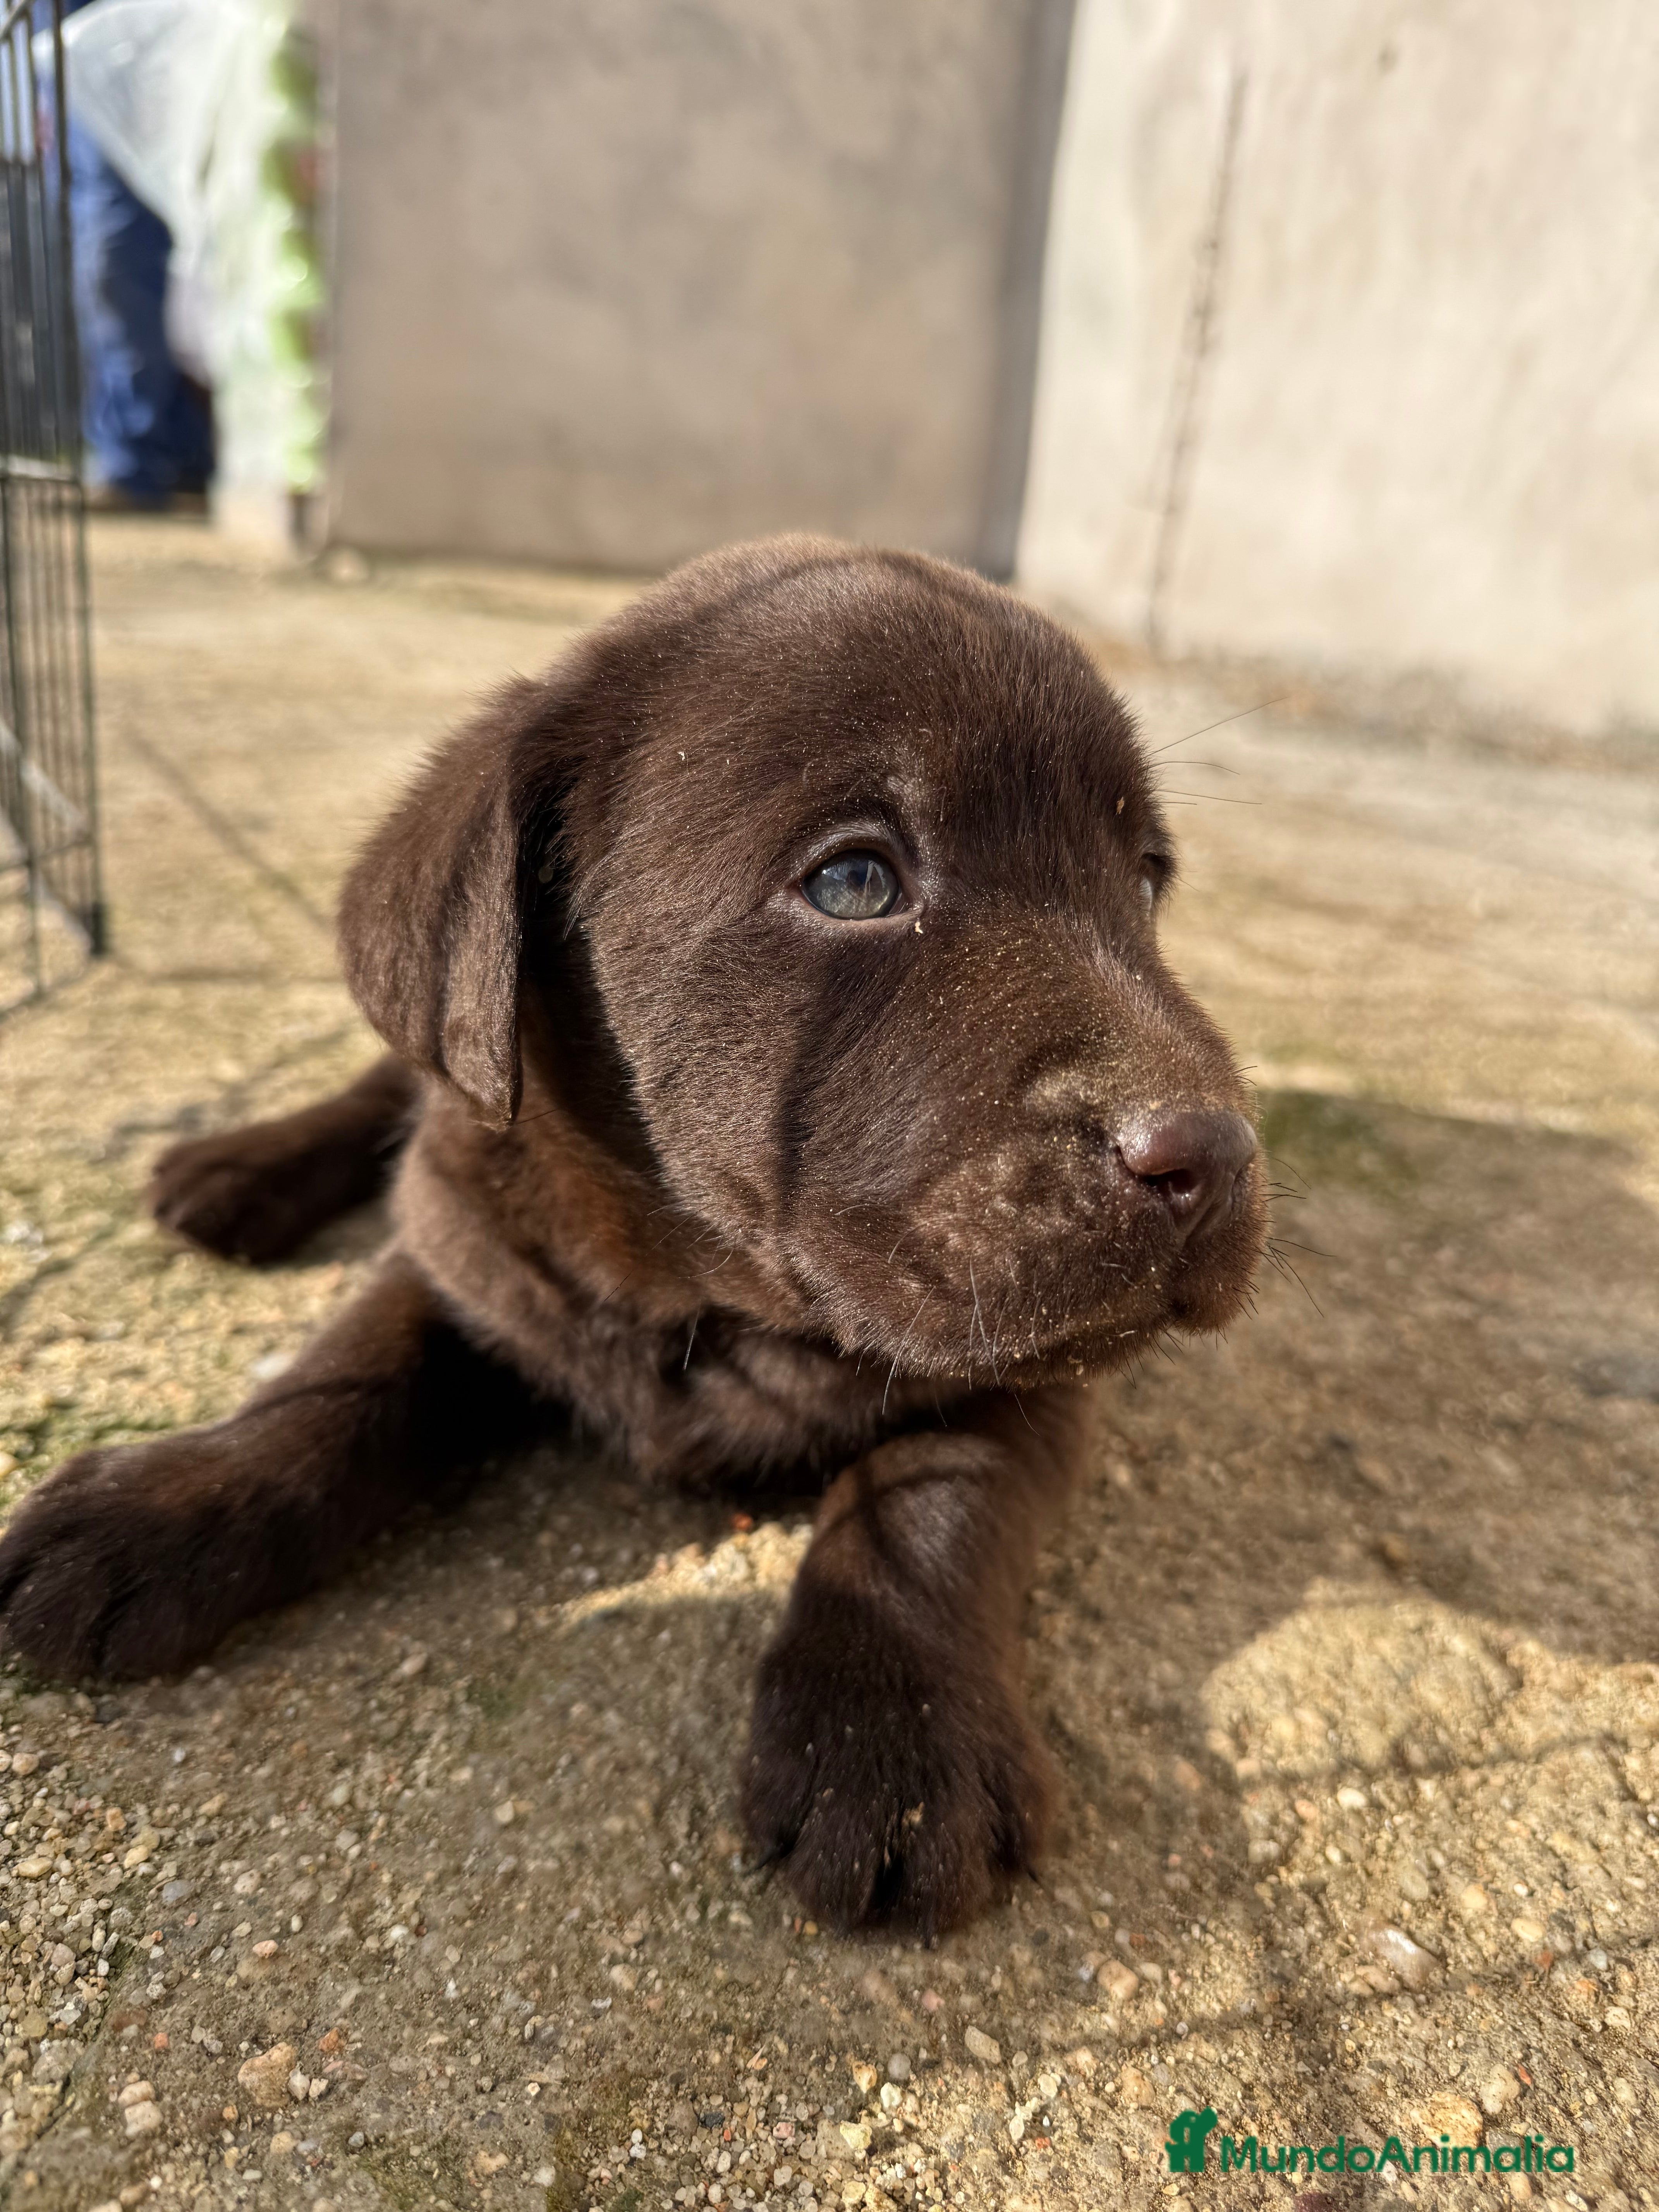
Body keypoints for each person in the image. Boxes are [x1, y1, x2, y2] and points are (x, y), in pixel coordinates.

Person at [46, 0, 214, 510]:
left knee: (119, 253)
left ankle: (146, 458)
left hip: (134, 41)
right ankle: (156, 452)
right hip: (81, 44)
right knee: (108, 256)